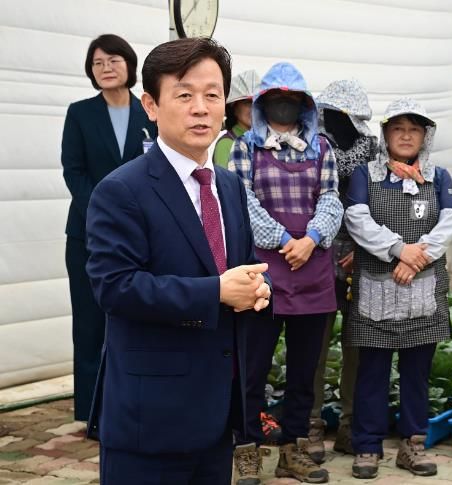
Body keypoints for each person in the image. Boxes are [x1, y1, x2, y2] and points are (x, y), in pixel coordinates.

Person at [84, 37, 271, 485]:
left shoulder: (229, 186)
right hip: (150, 417)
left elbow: (241, 267)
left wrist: (258, 290)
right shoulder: (122, 190)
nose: (201, 109)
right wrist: (217, 292)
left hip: (217, 411)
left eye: (212, 95)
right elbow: (115, 287)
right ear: (151, 105)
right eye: (184, 95)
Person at [228, 62, 342, 484]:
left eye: (292, 99)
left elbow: (331, 198)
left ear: (304, 105)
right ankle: (246, 449)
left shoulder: (321, 147)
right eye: (276, 98)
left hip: (312, 268)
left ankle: (293, 449)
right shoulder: (246, 147)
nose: (284, 105)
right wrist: (281, 239)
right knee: (252, 367)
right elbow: (242, 200)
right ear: (262, 103)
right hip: (261, 270)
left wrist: (311, 238)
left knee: (304, 372)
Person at [344, 98, 452, 479]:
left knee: (416, 375)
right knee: (371, 374)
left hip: (423, 296)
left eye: (414, 129)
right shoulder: (366, 175)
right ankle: (367, 446)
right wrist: (398, 250)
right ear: (385, 134)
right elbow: (357, 219)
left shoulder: (439, 177)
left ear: (426, 136)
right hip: (375, 296)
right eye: (398, 128)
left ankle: (412, 444)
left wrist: (416, 258)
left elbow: (449, 220)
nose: (406, 136)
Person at [61, 33, 157, 422]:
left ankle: (130, 401)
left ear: (129, 65)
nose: (106, 68)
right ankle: (90, 411)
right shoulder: (80, 113)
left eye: (113, 60)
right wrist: (104, 214)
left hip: (140, 233)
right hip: (87, 233)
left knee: (135, 319)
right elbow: (73, 171)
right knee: (89, 322)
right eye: (98, 63)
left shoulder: (147, 112)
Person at [305, 79, 379, 464]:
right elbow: (309, 202)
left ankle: (351, 424)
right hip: (318, 257)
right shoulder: (313, 146)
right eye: (332, 112)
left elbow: (382, 204)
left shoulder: (374, 149)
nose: (338, 119)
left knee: (357, 346)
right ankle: (311, 424)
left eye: (346, 114)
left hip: (362, 259)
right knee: (315, 347)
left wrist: (363, 248)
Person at [213, 70, 260, 168]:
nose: (254, 109)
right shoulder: (226, 144)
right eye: (248, 103)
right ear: (233, 108)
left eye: (257, 103)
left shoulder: (265, 141)